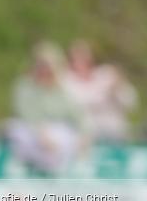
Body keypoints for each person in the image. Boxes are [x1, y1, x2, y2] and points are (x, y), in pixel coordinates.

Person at [8, 41, 87, 174]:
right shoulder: (24, 87)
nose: (45, 71)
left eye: (48, 67)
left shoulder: (64, 89)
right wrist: (40, 134)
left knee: (66, 137)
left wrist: (84, 136)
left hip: (57, 140)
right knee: (18, 132)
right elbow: (27, 114)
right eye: (41, 66)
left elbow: (80, 115)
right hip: (31, 134)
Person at [63, 40, 137, 142]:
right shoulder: (66, 80)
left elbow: (130, 102)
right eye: (76, 59)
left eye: (85, 59)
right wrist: (104, 94)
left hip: (115, 130)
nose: (81, 63)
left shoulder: (105, 74)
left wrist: (117, 89)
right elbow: (76, 104)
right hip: (84, 132)